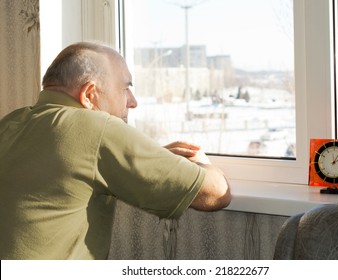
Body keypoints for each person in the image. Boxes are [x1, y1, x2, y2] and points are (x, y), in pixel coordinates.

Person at [0, 42, 231, 260]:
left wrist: (150, 156)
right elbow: (216, 192)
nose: (133, 102)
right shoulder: (96, 129)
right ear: (90, 95)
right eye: (126, 88)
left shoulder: (11, 122)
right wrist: (201, 161)